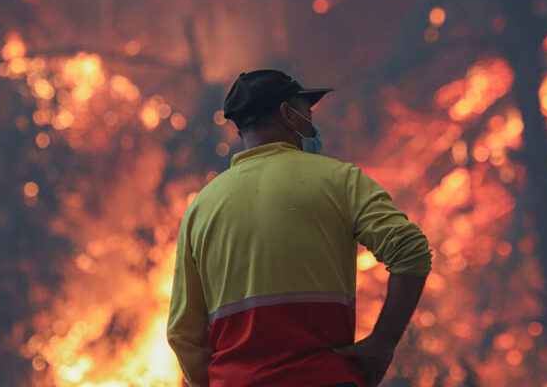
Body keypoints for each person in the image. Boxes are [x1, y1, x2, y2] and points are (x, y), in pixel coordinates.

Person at [167, 69, 432, 387]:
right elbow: (411, 250)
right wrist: (382, 343)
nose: (312, 123)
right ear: (287, 114)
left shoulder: (200, 208)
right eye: (307, 112)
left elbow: (183, 333)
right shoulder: (339, 179)